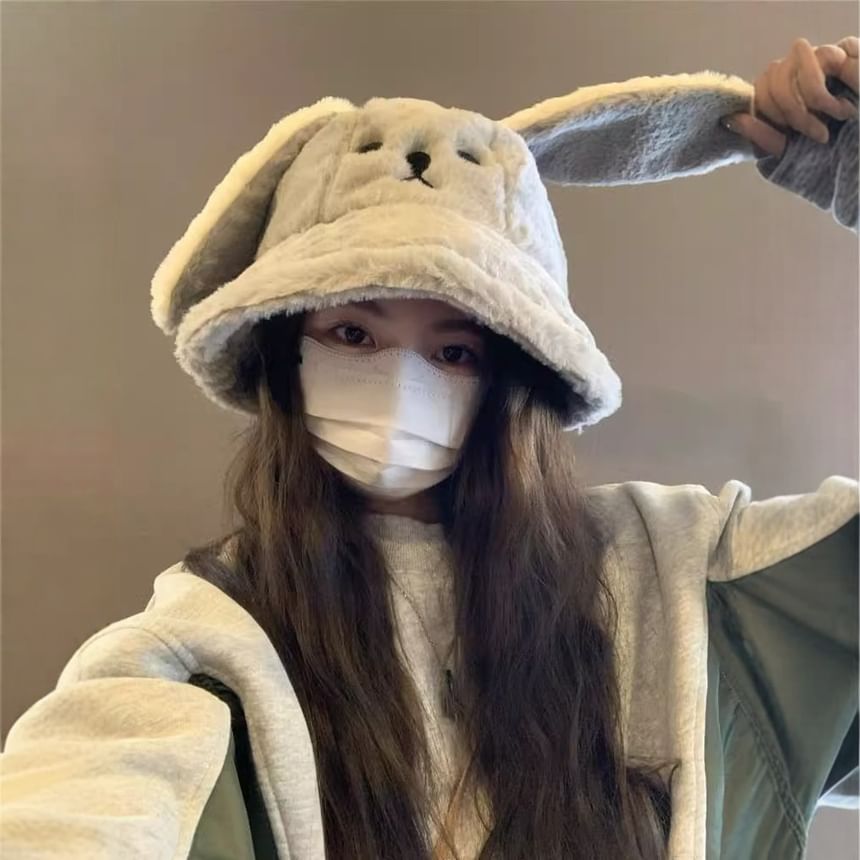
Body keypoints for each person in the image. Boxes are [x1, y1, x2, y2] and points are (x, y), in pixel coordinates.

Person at [2, 36, 858, 860]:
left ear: (515, 377)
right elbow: (84, 799)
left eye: (454, 351)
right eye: (353, 332)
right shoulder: (203, 649)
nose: (401, 386)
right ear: (283, 348)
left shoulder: (684, 579)